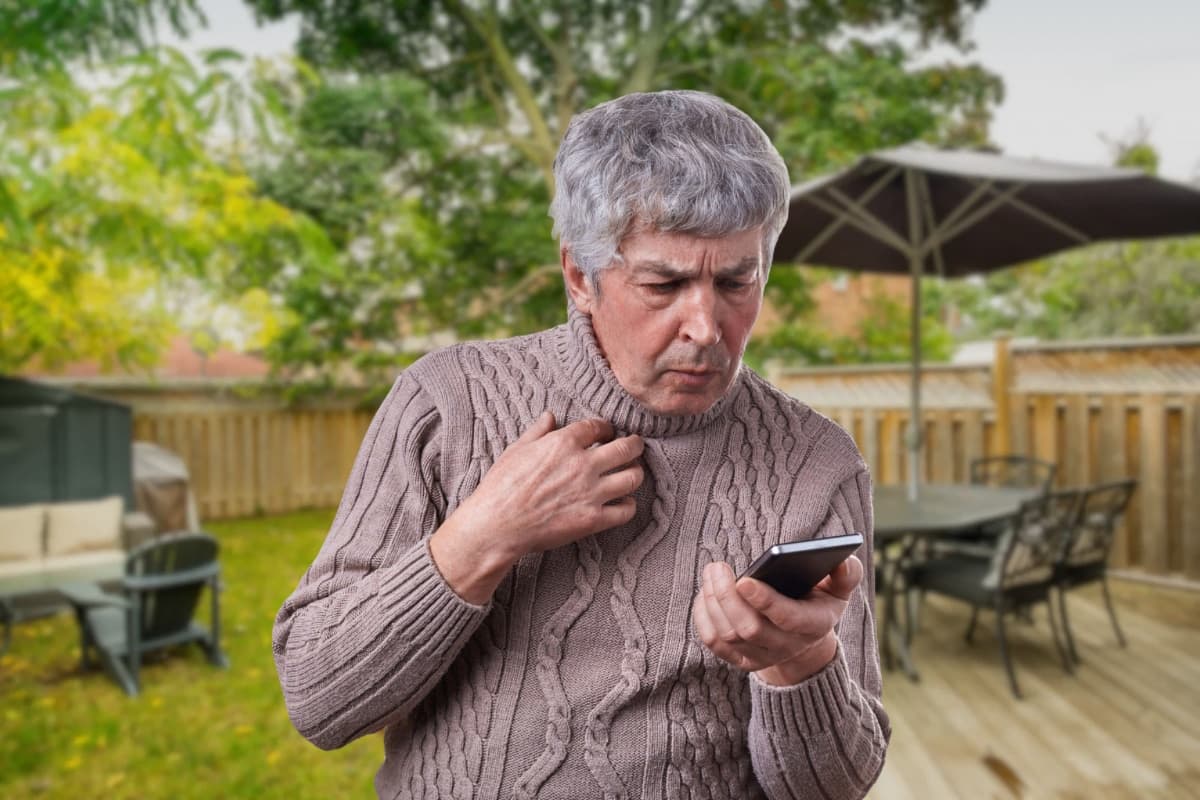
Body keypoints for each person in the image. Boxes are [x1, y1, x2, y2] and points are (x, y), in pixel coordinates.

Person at [273, 90, 890, 799]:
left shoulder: (818, 464)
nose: (705, 327)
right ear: (579, 277)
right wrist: (485, 533)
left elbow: (837, 787)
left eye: (735, 280)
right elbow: (319, 701)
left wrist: (801, 662)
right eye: (663, 283)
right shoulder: (447, 402)